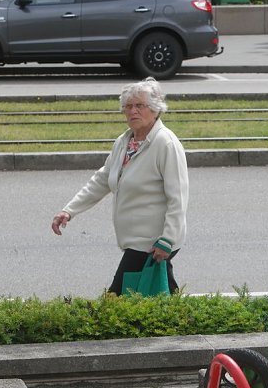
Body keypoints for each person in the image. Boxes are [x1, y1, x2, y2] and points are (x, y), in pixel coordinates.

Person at [51, 77, 189, 295]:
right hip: (136, 239)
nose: (132, 111)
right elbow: (103, 179)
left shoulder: (166, 143)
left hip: (152, 241)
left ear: (155, 109)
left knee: (118, 296)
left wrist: (167, 240)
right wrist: (69, 210)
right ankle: (185, 323)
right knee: (158, 293)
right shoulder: (125, 142)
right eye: (128, 106)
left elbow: (178, 197)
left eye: (139, 106)